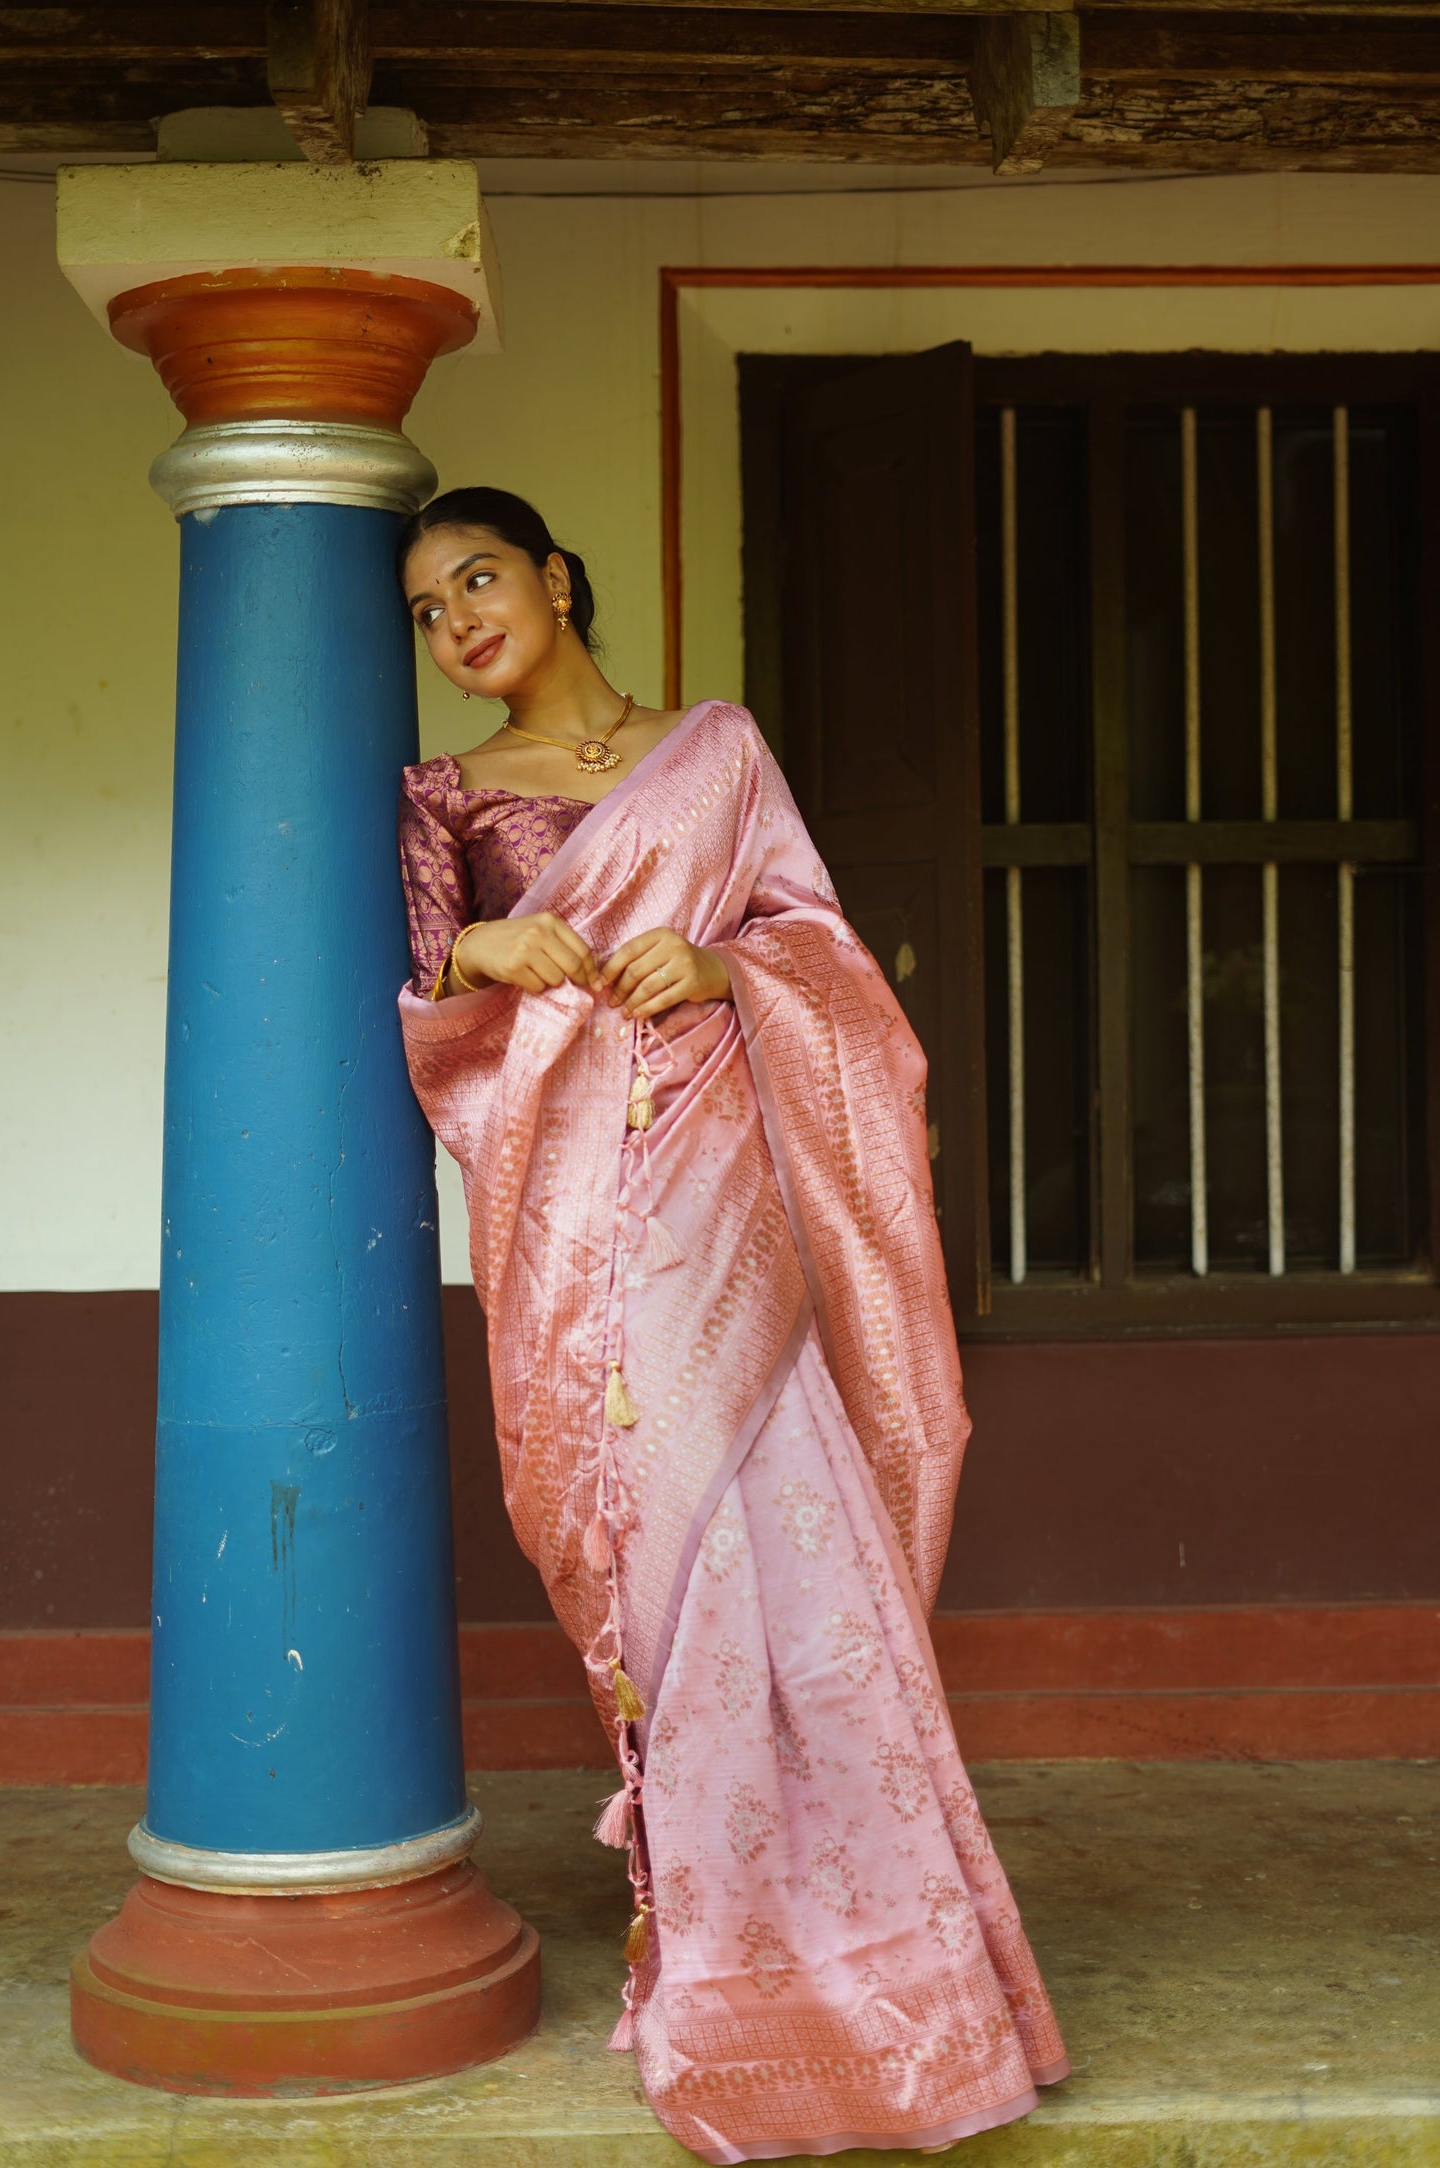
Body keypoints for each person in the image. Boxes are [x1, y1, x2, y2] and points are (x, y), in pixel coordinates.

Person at [395, 487, 1068, 2163]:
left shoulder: (715, 752)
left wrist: (723, 975)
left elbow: (820, 951)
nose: (458, 621)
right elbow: (415, 990)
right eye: (424, 610)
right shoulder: (441, 797)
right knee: (642, 1565)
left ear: (555, 575)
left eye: (478, 577)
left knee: (786, 1555)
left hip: (723, 1213)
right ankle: (698, 1938)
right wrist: (484, 937)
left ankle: (870, 1973)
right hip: (573, 1246)